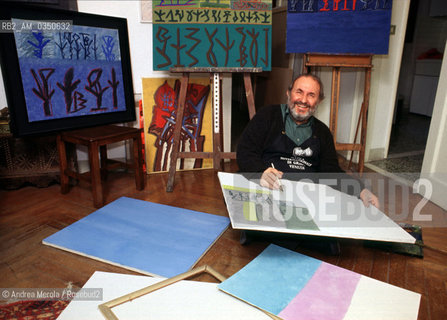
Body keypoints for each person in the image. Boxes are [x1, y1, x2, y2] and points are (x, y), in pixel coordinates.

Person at [236, 73, 379, 208]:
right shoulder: (267, 116)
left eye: (311, 95)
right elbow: (245, 152)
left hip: (306, 197)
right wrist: (260, 172)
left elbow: (331, 172)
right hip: (266, 189)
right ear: (288, 93)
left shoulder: (323, 132)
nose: (303, 100)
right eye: (299, 92)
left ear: (319, 101)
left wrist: (361, 190)